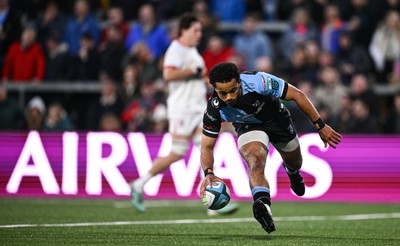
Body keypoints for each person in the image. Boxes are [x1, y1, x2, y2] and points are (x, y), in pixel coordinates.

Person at [199, 62, 342, 234]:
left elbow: (298, 95)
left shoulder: (258, 81)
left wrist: (320, 126)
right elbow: (207, 145)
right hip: (248, 126)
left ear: (239, 82)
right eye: (223, 93)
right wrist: (209, 173)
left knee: (295, 161)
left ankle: (292, 172)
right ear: (214, 88)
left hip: (277, 121)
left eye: (232, 90)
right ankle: (263, 205)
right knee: (255, 158)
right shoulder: (214, 108)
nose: (228, 97)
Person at [129, 13, 239, 216]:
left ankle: (211, 203)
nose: (199, 34)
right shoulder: (176, 49)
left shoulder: (191, 50)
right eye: (195, 30)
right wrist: (193, 72)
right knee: (177, 153)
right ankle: (138, 184)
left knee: (205, 148)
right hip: (182, 110)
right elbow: (168, 74)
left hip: (197, 108)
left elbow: (197, 75)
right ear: (184, 31)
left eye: (200, 30)